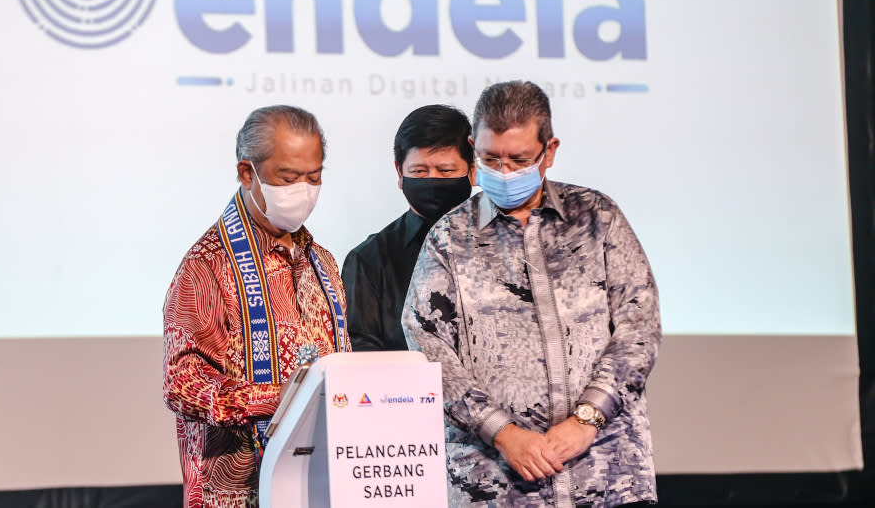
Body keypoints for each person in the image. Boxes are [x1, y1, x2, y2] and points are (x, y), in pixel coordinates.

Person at [402, 81, 660, 507]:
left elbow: (640, 325)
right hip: (496, 483)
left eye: (519, 159)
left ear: (550, 150)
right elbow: (426, 343)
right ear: (472, 147)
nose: (504, 172)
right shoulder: (448, 238)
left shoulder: (598, 218)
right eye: (490, 158)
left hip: (608, 475)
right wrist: (502, 433)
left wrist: (587, 419)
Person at [163, 105, 350, 508]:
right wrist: (279, 400)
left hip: (320, 486)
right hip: (237, 492)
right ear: (247, 173)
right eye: (288, 178)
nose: (303, 189)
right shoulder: (207, 266)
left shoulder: (323, 262)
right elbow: (181, 384)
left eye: (313, 177)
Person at [342, 104, 474, 351]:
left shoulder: (500, 246)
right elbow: (360, 355)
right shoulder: (368, 261)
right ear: (400, 173)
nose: (432, 180)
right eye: (419, 171)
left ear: (473, 171)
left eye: (446, 171)